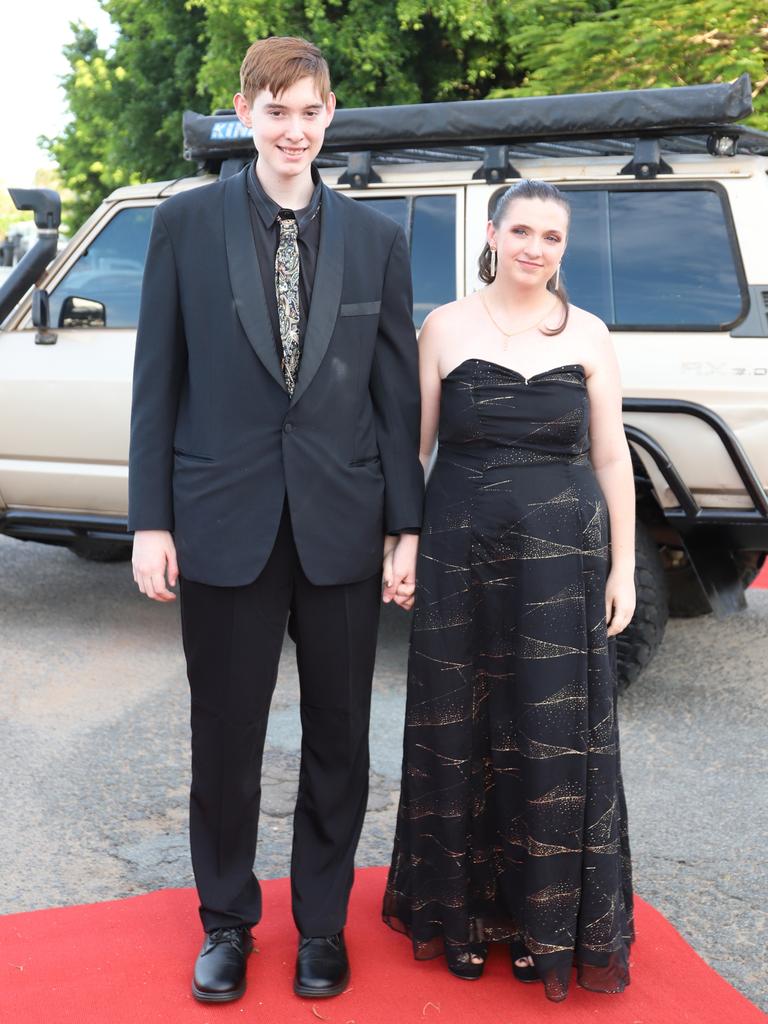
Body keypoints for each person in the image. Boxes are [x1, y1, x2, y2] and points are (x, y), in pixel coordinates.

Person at [128, 36, 422, 1004]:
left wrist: (404, 526)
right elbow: (156, 384)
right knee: (226, 738)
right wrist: (149, 521)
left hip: (341, 524)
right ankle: (225, 923)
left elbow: (392, 396)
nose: (294, 130)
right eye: (276, 110)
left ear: (330, 115)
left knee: (341, 737)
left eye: (311, 111)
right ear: (245, 113)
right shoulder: (183, 226)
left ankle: (323, 928)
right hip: (220, 522)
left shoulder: (378, 241)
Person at [383, 179, 636, 1002]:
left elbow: (610, 461)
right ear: (492, 233)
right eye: (521, 230)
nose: (534, 248)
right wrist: (405, 544)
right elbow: (414, 451)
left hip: (563, 561)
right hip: (460, 553)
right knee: (462, 728)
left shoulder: (591, 335)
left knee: (549, 734)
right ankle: (462, 918)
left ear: (565, 247)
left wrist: (625, 567)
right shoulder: (445, 327)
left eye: (551, 236)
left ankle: (541, 924)